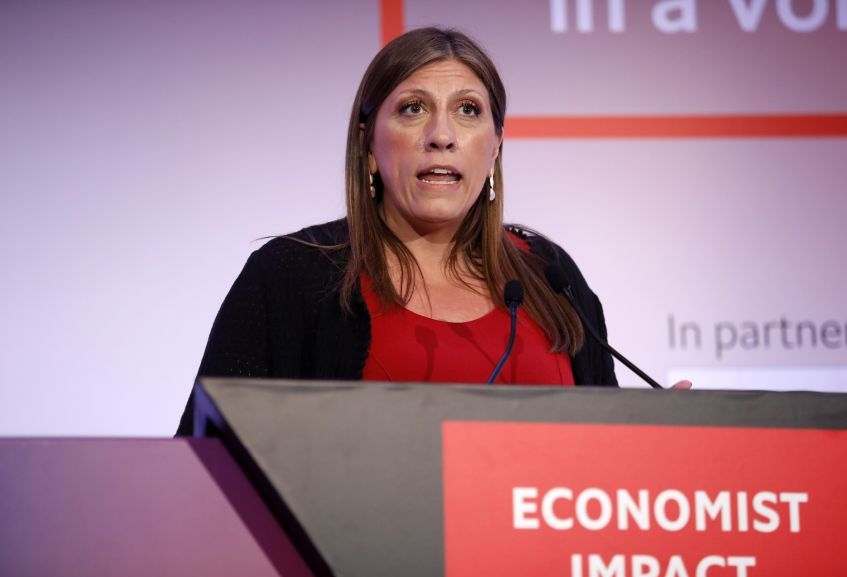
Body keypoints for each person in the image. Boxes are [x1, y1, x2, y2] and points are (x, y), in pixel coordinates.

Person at [176, 27, 629, 436]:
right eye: (413, 109)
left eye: (468, 110)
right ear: (368, 145)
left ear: (495, 147)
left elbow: (611, 458)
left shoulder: (549, 273)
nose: (441, 136)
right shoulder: (291, 274)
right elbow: (208, 463)